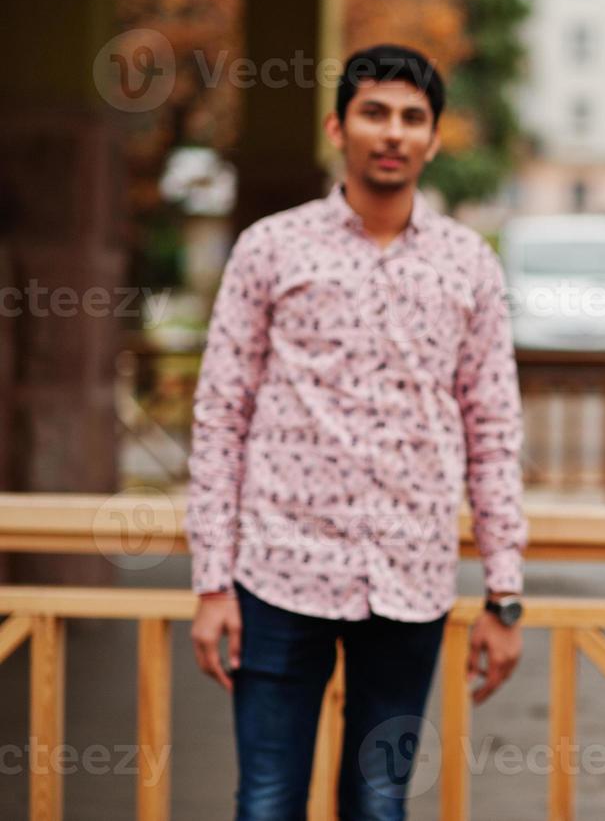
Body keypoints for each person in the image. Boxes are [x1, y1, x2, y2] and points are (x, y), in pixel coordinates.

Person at [185, 44, 528, 820]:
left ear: (434, 139)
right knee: (267, 803)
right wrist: (212, 582)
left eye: (412, 118)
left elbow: (494, 427)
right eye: (375, 112)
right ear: (339, 126)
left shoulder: (468, 263)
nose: (393, 132)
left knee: (379, 806)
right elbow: (220, 417)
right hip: (277, 574)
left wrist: (504, 596)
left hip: (410, 579)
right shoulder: (271, 247)